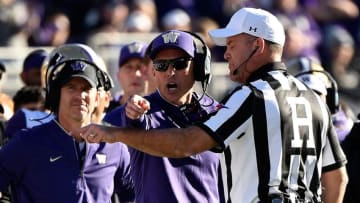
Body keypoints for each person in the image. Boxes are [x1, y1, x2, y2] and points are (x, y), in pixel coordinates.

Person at [77, 8, 348, 203]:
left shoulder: (252, 96)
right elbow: (337, 179)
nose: (226, 53)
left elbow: (185, 144)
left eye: (232, 44)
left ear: (258, 45)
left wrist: (114, 133)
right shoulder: (314, 98)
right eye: (161, 65)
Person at [0, 43, 135, 203]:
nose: (80, 95)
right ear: (57, 95)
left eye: (86, 88)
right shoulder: (27, 142)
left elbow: (133, 195)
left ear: (97, 97)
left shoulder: (114, 146)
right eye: (71, 87)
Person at [103, 30, 224, 203]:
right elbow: (134, 119)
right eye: (161, 65)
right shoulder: (141, 111)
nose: (170, 72)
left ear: (198, 68)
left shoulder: (217, 112)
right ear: (153, 72)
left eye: (180, 64)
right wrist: (133, 112)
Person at [107, 41, 148, 112]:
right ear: (118, 75)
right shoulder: (105, 111)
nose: (136, 74)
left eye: (140, 67)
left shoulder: (162, 111)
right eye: (129, 67)